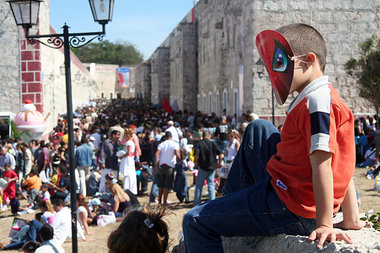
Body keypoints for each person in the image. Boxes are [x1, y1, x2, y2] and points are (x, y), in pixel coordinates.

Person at [183, 23, 365, 252]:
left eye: (279, 64)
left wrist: (324, 224)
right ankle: (230, 204)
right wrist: (351, 219)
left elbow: (324, 163)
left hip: (294, 208)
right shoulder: (326, 98)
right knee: (258, 128)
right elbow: (344, 164)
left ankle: (227, 209)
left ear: (308, 61)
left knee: (195, 220)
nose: (272, 75)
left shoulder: (317, 104)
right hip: (292, 191)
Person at [193, 131, 223, 205]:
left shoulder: (199, 144)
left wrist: (196, 162)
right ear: (209, 136)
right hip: (212, 166)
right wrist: (219, 163)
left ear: (202, 136)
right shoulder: (213, 143)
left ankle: (196, 202)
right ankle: (212, 202)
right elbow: (220, 154)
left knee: (199, 186)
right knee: (211, 185)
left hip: (203, 166)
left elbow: (196, 155)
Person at [154, 131, 181, 205]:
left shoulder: (161, 144)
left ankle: (159, 200)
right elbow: (177, 154)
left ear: (165, 137)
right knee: (167, 185)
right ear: (171, 137)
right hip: (170, 166)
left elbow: (156, 154)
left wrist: (155, 166)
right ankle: (164, 201)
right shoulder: (175, 144)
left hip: (162, 165)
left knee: (161, 185)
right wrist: (181, 161)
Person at [119, 128, 137, 194]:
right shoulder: (131, 142)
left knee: (127, 173)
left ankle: (127, 188)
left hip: (128, 159)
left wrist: (122, 156)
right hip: (130, 159)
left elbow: (128, 153)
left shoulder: (128, 143)